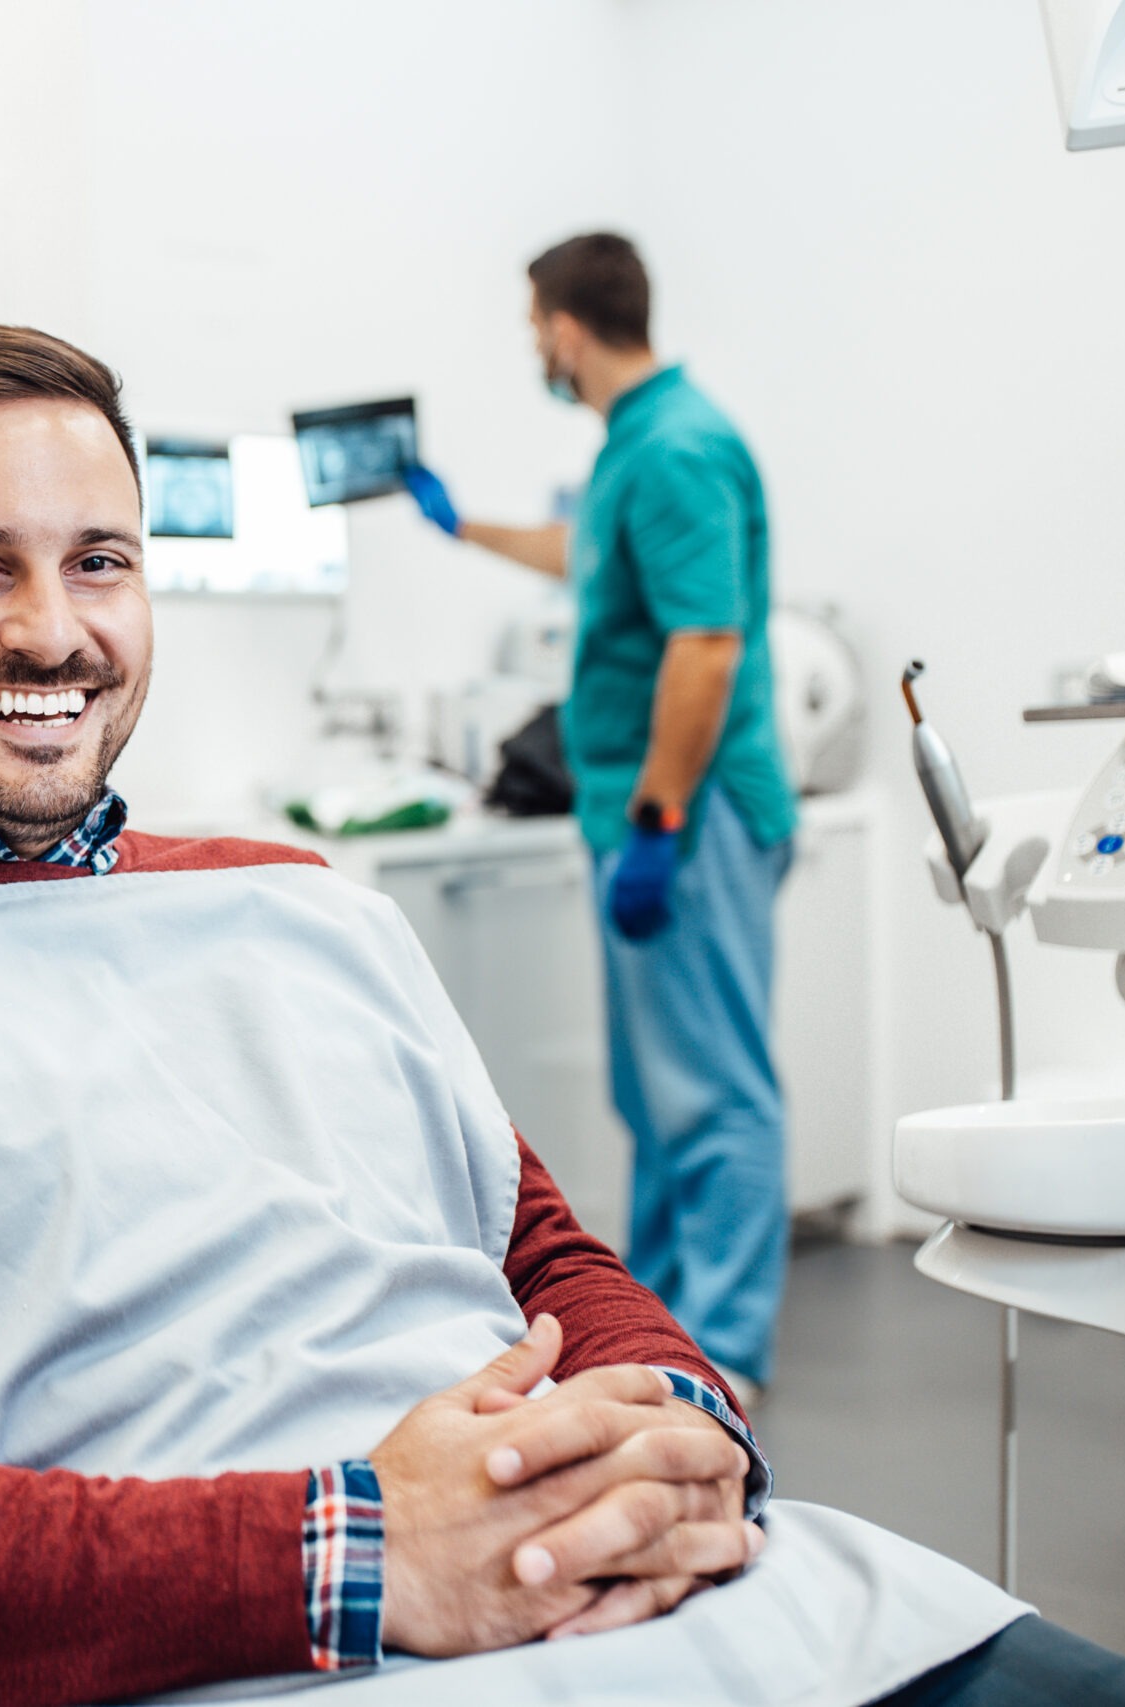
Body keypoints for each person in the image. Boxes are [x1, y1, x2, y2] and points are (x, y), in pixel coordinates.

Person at [0, 324, 1125, 1705]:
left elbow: (541, 1251)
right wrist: (355, 1549)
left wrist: (684, 1432)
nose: (51, 630)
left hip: (673, 1593)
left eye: (101, 563)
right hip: (240, 1648)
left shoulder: (306, 899)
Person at [401, 233, 795, 1403]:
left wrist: (663, 818)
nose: (535, 346)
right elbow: (587, 556)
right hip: (643, 814)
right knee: (658, 1092)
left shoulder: (676, 448)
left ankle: (722, 1353)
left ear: (567, 328)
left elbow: (705, 643)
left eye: (535, 325)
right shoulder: (638, 443)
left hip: (692, 813)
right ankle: (663, 1324)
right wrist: (459, 525)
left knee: (716, 1091)